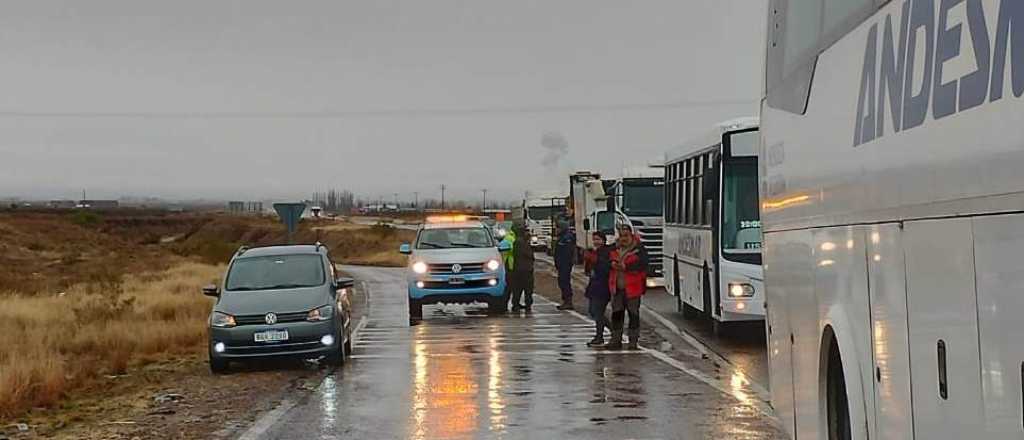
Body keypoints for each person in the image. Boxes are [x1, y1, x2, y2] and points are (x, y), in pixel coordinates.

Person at [606, 228, 648, 350]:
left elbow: (644, 264)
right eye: (621, 235)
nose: (623, 238)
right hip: (617, 288)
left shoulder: (639, 250)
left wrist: (627, 266)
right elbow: (605, 260)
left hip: (633, 288)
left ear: (631, 235)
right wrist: (612, 264)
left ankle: (633, 341)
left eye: (626, 235)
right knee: (617, 315)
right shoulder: (613, 249)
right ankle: (616, 339)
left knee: (633, 315)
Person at [583, 232, 613, 347]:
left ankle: (601, 335)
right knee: (593, 311)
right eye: (594, 239)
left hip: (603, 286)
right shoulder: (594, 252)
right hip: (594, 286)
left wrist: (595, 260)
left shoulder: (606, 252)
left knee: (597, 311)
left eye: (598, 239)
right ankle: (611, 331)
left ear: (603, 240)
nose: (596, 242)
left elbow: (605, 268)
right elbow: (588, 271)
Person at [508, 223, 535, 312]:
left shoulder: (518, 241)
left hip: (519, 269)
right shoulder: (521, 242)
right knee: (526, 288)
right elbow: (529, 255)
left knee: (518, 288)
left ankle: (517, 304)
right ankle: (525, 305)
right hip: (524, 270)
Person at [553, 220, 576, 310]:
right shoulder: (562, 237)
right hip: (562, 264)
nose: (556, 230)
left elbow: (567, 253)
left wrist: (564, 263)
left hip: (565, 264)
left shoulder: (567, 238)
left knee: (564, 282)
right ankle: (566, 301)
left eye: (557, 228)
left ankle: (568, 301)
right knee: (562, 282)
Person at [499, 227, 517, 311]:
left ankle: (515, 304)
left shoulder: (513, 237)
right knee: (508, 287)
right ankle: (504, 305)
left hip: (514, 266)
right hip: (508, 267)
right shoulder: (508, 239)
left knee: (515, 287)